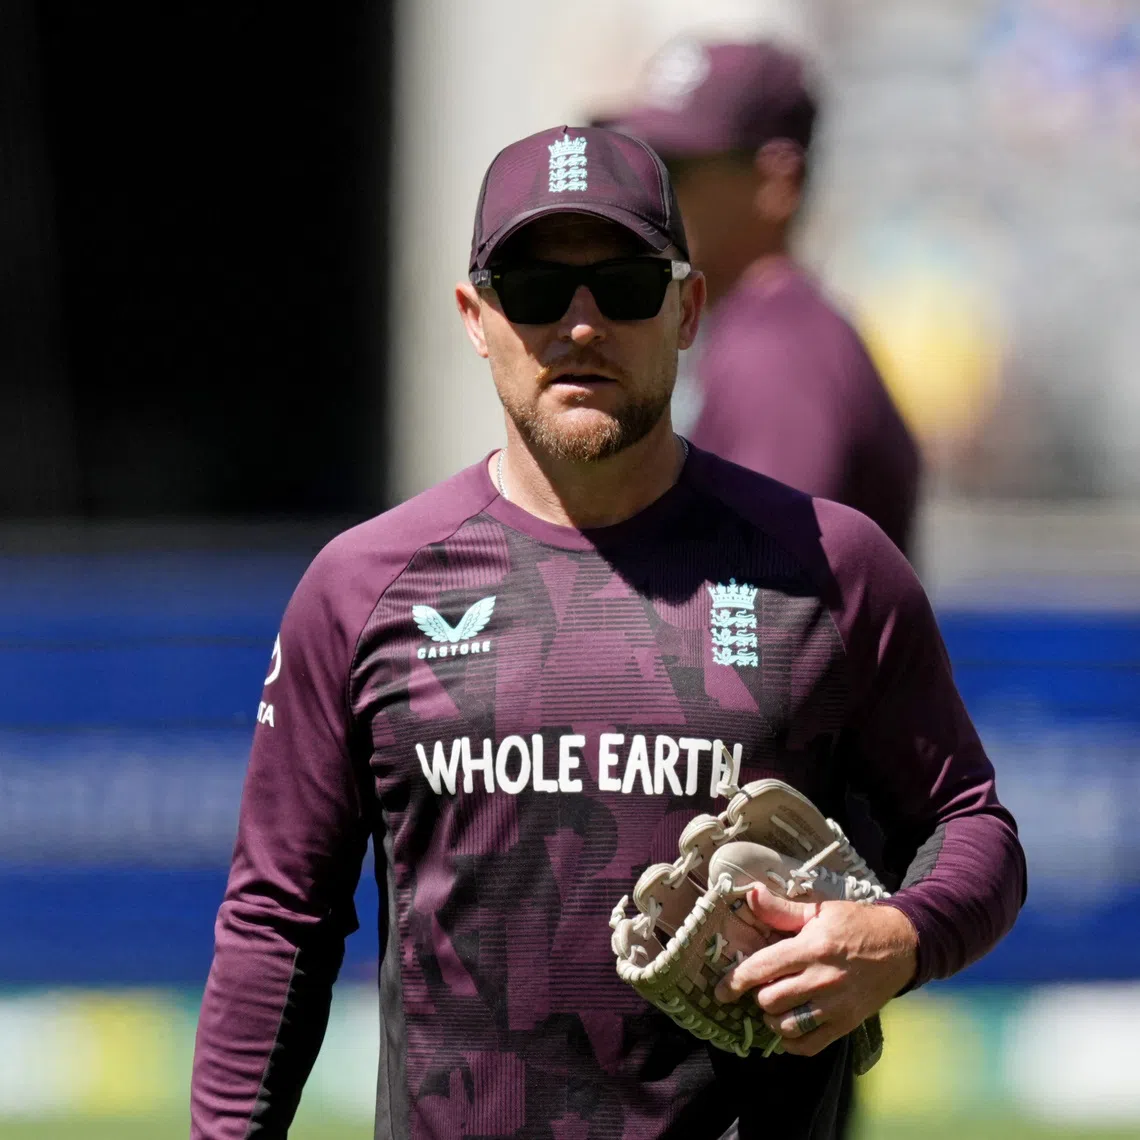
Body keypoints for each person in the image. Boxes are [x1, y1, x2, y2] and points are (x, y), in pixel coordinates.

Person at [190, 125, 1025, 1140]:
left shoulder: (830, 568)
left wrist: (900, 932)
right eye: (537, 290)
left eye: (625, 284)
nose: (580, 326)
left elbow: (975, 828)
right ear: (475, 316)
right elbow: (280, 924)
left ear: (688, 310)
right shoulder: (363, 589)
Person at [601, 39, 922, 558]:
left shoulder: (778, 353)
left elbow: (764, 599)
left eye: (674, 169)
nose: (647, 192)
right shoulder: (757, 328)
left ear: (777, 182)